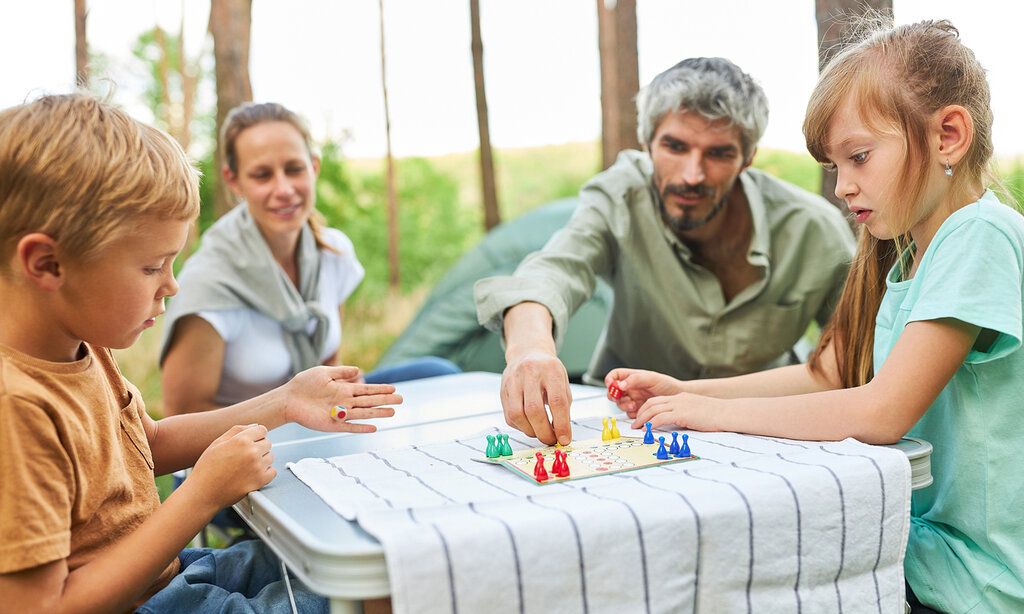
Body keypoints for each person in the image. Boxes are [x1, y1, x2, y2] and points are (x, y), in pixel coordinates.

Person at [608, 20, 1024, 613]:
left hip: (974, 584)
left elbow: (883, 411)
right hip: (920, 555)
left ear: (949, 135)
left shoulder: (979, 234)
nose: (842, 187)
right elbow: (826, 375)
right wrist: (689, 390)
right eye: (836, 166)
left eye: (859, 157)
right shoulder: (906, 251)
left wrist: (711, 416)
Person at [0, 94, 402, 612]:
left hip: (172, 576)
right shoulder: (18, 407)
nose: (171, 285)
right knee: (366, 601)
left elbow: (154, 444)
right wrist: (201, 496)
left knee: (383, 568)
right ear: (48, 264)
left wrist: (285, 402)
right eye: (152, 267)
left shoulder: (81, 344)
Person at [476, 57, 855, 446]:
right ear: (647, 144)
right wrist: (530, 351)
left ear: (748, 158)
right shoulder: (620, 197)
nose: (693, 175)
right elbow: (551, 273)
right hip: (629, 425)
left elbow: (856, 357)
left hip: (763, 429)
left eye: (718, 153)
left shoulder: (815, 232)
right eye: (675, 146)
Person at [160, 102, 458, 416]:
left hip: (315, 421)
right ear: (234, 181)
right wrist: (288, 410)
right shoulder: (208, 284)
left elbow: (328, 365)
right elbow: (182, 414)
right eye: (262, 175)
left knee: (438, 373)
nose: (284, 189)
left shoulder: (333, 254)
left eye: (294, 169)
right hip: (244, 444)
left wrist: (342, 383)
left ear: (314, 167)